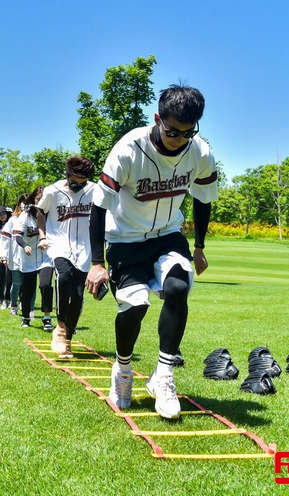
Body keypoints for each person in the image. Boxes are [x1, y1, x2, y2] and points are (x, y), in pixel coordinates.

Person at [85, 85, 218, 419]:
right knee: (135, 305)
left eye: (188, 133)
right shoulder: (129, 149)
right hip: (125, 240)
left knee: (178, 287)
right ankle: (124, 370)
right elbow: (98, 208)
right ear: (158, 119)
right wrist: (97, 263)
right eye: (172, 131)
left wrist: (199, 246)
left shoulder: (200, 152)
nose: (179, 140)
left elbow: (204, 200)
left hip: (167, 235)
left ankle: (164, 375)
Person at [37, 156, 96, 358]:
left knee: (78, 294)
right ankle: (60, 327)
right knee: (64, 277)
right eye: (74, 181)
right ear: (67, 174)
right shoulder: (53, 191)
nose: (78, 186)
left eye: (82, 182)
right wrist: (43, 236)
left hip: (84, 248)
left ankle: (68, 338)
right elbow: (40, 212)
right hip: (58, 243)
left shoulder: (94, 190)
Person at [13, 186, 53, 328]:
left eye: (44, 199)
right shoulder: (25, 215)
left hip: (46, 257)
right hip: (28, 258)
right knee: (27, 290)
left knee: (45, 285)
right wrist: (25, 245)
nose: (41, 201)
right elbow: (17, 235)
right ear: (33, 199)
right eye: (38, 199)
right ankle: (25, 318)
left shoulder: (52, 215)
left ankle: (47, 317)